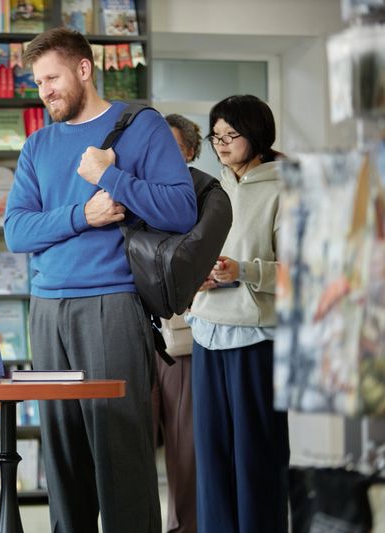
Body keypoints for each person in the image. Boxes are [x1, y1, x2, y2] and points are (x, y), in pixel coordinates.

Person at [4, 27, 197, 533]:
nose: (44, 90)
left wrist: (111, 176)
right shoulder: (37, 145)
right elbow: (15, 231)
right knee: (63, 458)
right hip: (47, 312)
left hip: (112, 304)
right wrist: (82, 216)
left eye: (52, 77)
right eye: (38, 81)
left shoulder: (141, 126)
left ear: (84, 69)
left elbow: (181, 209)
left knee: (122, 454)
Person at [186, 94, 289, 533]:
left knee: (255, 456)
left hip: (257, 339)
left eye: (232, 135)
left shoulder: (289, 188)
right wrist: (200, 275)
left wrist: (241, 271)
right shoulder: (214, 189)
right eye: (216, 137)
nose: (222, 145)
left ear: (258, 135)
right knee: (211, 457)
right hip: (207, 333)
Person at [150, 113, 203, 533]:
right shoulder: (137, 192)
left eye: (170, 146)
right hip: (130, 332)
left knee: (184, 446)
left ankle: (184, 526)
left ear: (188, 152)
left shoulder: (203, 195)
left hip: (178, 338)